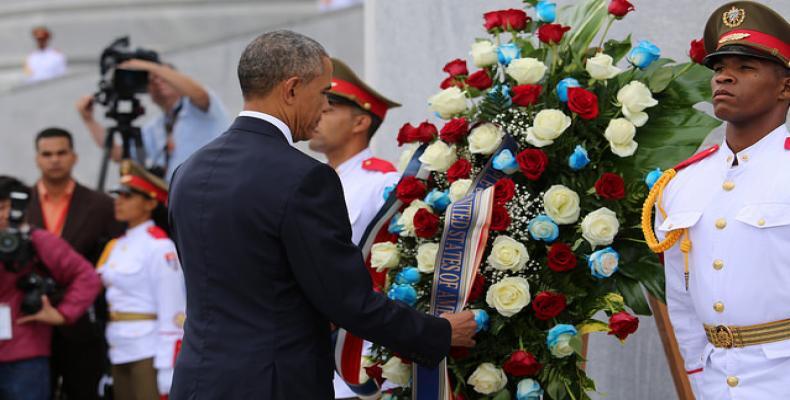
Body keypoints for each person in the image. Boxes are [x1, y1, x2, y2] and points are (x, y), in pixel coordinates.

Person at [167, 30, 477, 400]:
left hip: (196, 381)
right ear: (292, 89)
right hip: (275, 384)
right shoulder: (303, 177)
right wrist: (438, 333)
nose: (322, 107)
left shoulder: (188, 171)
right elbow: (346, 299)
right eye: (323, 93)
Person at [645, 2, 789, 399]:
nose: (724, 77)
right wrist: (697, 374)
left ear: (785, 86)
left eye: (745, 68)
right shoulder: (682, 183)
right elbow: (681, 296)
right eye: (720, 68)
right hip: (714, 382)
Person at [309, 57, 401, 398]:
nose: (318, 114)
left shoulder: (382, 183)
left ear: (360, 120)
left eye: (330, 108)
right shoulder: (316, 180)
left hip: (356, 354)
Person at [26, 127, 125, 400]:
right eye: (47, 154)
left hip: (85, 323)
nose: (54, 160)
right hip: (31, 324)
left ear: (74, 157)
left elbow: (120, 253)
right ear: (37, 159)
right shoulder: (18, 205)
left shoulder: (102, 205)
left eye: (61, 153)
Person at [0, 176, 101, 400]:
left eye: (9, 207)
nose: (5, 215)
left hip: (24, 356)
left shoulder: (36, 241)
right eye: (0, 208)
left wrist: (63, 314)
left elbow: (86, 276)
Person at [98, 161, 185, 400]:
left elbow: (173, 311)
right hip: (118, 345)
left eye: (128, 195)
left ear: (150, 202)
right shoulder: (116, 245)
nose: (119, 200)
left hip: (148, 348)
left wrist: (168, 367)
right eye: (118, 194)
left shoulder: (159, 247)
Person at [77, 60, 229, 181]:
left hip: (210, 192)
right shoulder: (155, 126)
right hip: (175, 202)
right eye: (151, 80)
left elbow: (198, 93)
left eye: (163, 76)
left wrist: (150, 66)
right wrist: (89, 120)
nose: (158, 81)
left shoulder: (201, 109)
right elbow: (119, 154)